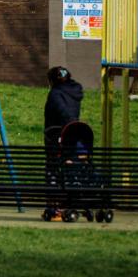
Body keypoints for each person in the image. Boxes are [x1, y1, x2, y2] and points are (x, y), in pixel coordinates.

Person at [42, 65, 86, 221]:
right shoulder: (75, 92)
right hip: (74, 136)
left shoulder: (55, 94)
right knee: (71, 171)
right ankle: (69, 204)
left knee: (54, 171)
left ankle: (56, 208)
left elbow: (63, 113)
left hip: (57, 137)